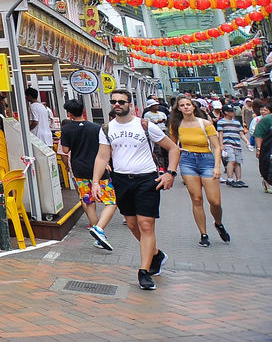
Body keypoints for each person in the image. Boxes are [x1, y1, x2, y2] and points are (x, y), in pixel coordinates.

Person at [90, 88, 181, 291]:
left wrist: (170, 173)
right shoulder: (106, 128)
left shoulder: (144, 125)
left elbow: (173, 148)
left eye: (121, 101)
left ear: (130, 104)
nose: (117, 105)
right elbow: (102, 157)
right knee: (132, 225)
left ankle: (144, 271)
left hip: (146, 180)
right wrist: (95, 182)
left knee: (146, 225)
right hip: (122, 181)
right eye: (114, 101)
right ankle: (155, 254)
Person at [169, 96, 228, 246]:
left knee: (214, 201)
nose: (186, 107)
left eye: (188, 104)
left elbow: (216, 147)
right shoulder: (176, 125)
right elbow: (174, 147)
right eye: (182, 105)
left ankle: (218, 223)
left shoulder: (205, 124)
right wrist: (172, 169)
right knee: (196, 199)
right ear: (179, 109)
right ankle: (203, 234)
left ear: (194, 107)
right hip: (188, 161)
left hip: (207, 160)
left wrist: (217, 166)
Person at [59, 99, 117, 251]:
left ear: (69, 113)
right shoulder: (96, 127)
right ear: (82, 110)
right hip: (98, 168)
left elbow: (65, 150)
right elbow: (104, 148)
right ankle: (99, 229)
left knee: (88, 200)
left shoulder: (66, 129)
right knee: (111, 201)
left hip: (79, 169)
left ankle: (97, 229)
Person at [214, 105, 247, 187]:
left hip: (237, 144)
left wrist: (247, 141)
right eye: (231, 111)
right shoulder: (221, 122)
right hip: (227, 143)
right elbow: (220, 134)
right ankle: (230, 179)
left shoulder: (237, 122)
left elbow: (241, 133)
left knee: (238, 162)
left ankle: (239, 179)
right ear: (226, 112)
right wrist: (221, 145)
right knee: (231, 160)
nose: (233, 112)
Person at [250, 100, 272, 191]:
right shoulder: (266, 120)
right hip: (268, 148)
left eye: (265, 110)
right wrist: (259, 149)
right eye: (262, 110)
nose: (263, 111)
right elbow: (258, 134)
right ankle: (267, 182)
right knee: (267, 166)